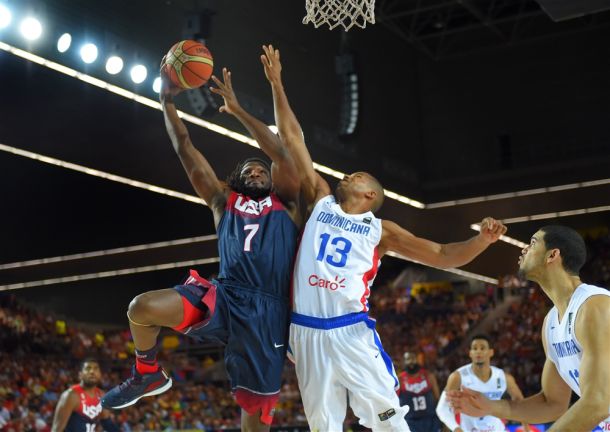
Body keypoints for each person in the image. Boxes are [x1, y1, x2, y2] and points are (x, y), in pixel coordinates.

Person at [260, 44, 507, 432]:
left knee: (389, 423)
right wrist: (277, 84)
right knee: (322, 426)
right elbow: (293, 140)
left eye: (354, 176)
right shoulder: (319, 200)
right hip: (305, 330)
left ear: (371, 195)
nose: (344, 176)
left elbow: (442, 254)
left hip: (350, 330)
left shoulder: (381, 231)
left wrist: (481, 242)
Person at [102, 66, 303, 431]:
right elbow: (184, 147)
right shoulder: (221, 202)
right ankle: (147, 372)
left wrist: (241, 112)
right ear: (236, 180)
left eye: (262, 170)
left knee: (254, 426)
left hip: (268, 312)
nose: (257, 173)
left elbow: (286, 155)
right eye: (249, 171)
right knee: (141, 307)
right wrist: (165, 101)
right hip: (224, 295)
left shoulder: (288, 204)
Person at [448, 226, 610, 432]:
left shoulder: (595, 307)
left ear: (553, 255)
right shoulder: (551, 323)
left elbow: (598, 403)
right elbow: (552, 403)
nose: (524, 249)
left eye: (533, 243)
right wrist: (490, 406)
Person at [436, 335, 529, 432]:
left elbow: (520, 404)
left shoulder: (504, 378)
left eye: (482, 348)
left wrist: (526, 429)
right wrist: (456, 428)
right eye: (474, 348)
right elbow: (442, 408)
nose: (478, 351)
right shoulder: (457, 377)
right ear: (470, 353)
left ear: (491, 352)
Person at [52, 359, 118, 432]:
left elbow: (107, 424)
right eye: (88, 368)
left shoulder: (102, 395)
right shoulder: (70, 395)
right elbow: (56, 429)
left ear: (100, 374)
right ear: (80, 375)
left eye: (96, 369)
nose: (92, 372)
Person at [399, 352, 441, 432]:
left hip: (431, 420)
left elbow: (438, 399)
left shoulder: (429, 375)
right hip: (411, 422)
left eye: (413, 358)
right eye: (408, 359)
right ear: (404, 362)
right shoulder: (400, 379)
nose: (411, 361)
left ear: (417, 360)